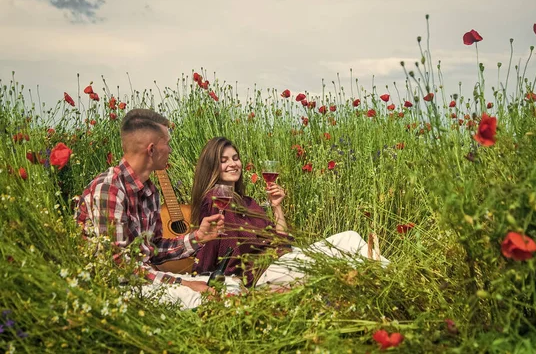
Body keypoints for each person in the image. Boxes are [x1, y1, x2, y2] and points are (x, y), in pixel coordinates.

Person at [75, 109, 238, 309]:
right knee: (207, 298)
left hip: (144, 278)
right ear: (151, 150)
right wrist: (184, 283)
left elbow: (154, 250)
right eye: (167, 143)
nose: (170, 150)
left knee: (232, 285)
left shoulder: (150, 191)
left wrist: (198, 237)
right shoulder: (109, 190)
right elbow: (117, 267)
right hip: (115, 286)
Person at [190, 137, 388, 288]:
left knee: (350, 239)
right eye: (224, 160)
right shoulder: (216, 200)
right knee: (349, 242)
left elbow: (281, 241)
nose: (233, 164)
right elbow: (222, 252)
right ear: (213, 167)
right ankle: (393, 280)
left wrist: (276, 206)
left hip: (280, 261)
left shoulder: (248, 202)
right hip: (261, 273)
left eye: (235, 158)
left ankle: (387, 278)